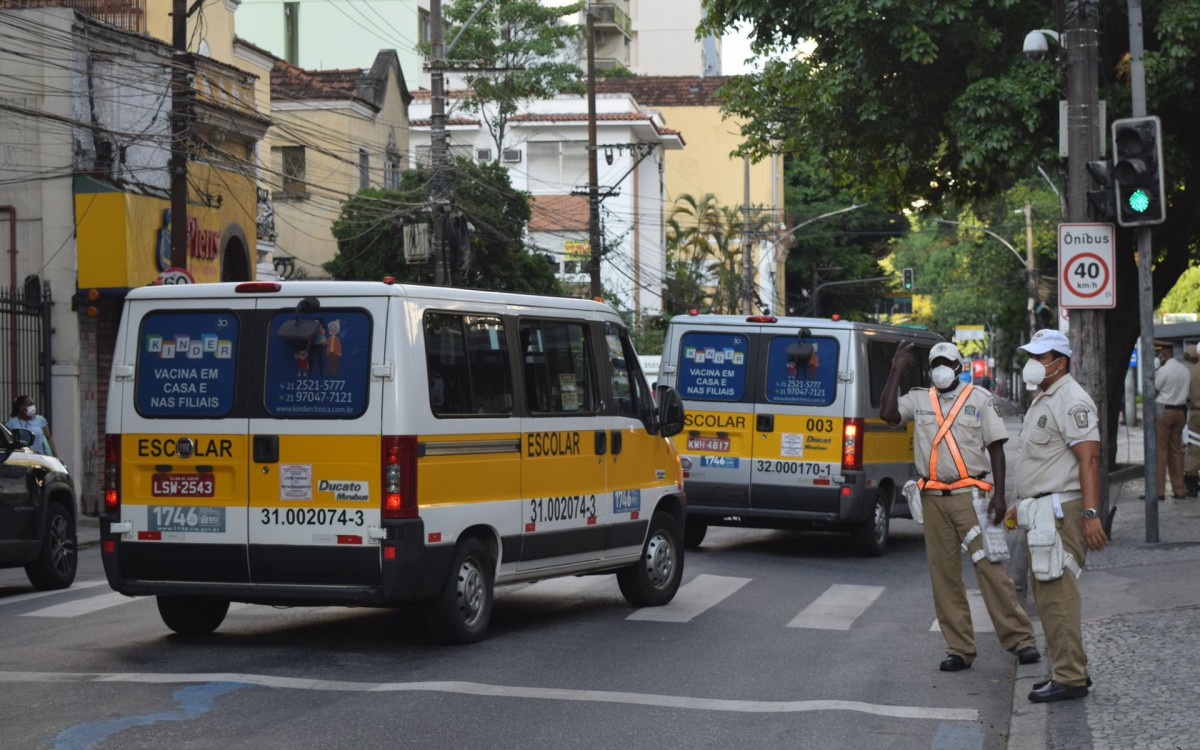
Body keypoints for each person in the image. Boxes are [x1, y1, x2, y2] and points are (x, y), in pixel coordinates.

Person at [881, 340, 1040, 673]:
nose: (939, 368)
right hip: (933, 499)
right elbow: (888, 414)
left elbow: (996, 448)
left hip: (973, 498)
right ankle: (960, 648)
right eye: (934, 363)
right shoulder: (919, 398)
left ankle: (1021, 640)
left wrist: (999, 496)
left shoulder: (979, 400)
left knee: (991, 569)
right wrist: (896, 370)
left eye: (945, 362)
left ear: (958, 368)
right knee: (944, 577)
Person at [1008, 328, 1108, 703]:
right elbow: (1045, 460)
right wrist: (1023, 501)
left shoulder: (1071, 399)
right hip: (1043, 511)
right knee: (1048, 595)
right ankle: (1070, 669)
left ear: (1060, 362)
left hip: (1061, 513)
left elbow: (1090, 459)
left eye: (1040, 357)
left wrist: (1092, 514)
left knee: (1058, 595)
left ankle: (1070, 677)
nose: (1032, 364)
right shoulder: (1045, 398)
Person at [1152, 339, 1189, 500]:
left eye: (1159, 354)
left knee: (1161, 451)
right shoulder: (1184, 370)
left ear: (1164, 354)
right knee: (1177, 451)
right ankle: (1179, 489)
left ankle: (1159, 490)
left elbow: (1154, 389)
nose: (1159, 357)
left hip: (1164, 411)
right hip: (1180, 412)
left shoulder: (1164, 370)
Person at [1184, 343, 1200, 498]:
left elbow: (1186, 395)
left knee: (1194, 448)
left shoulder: (1191, 371)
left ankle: (1192, 484)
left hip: (1196, 414)